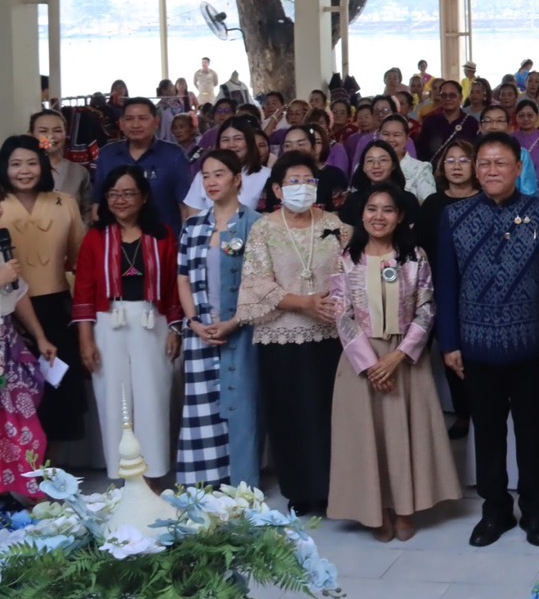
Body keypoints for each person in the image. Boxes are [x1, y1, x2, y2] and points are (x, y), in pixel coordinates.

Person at [437, 133, 539, 549]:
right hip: (474, 347)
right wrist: (450, 343)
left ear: (517, 168)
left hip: (530, 347)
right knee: (488, 434)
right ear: (476, 170)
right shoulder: (454, 216)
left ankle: (535, 512)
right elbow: (445, 284)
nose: (492, 171)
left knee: (532, 433)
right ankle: (494, 511)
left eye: (501, 164)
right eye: (485, 164)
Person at [326, 185, 461, 540]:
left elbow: (428, 307)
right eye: (372, 209)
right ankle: (376, 510)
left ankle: (405, 508)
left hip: (405, 359)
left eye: (388, 210)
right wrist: (371, 364)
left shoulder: (414, 257)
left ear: (400, 216)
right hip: (361, 362)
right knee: (368, 439)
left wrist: (398, 356)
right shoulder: (346, 258)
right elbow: (341, 313)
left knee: (403, 436)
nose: (378, 217)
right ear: (362, 214)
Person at [235, 154, 346, 515]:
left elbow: (350, 273)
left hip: (330, 334)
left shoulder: (335, 225)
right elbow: (256, 283)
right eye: (293, 181)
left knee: (328, 413)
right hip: (280, 337)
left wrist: (328, 304)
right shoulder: (264, 229)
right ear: (279, 189)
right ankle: (299, 490)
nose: (302, 187)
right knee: (289, 414)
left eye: (308, 180)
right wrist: (303, 303)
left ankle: (334, 488)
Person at [72, 165, 182, 483]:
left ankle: (154, 474)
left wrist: (175, 328)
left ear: (144, 197)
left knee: (153, 399)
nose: (120, 200)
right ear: (105, 199)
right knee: (113, 400)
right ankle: (124, 477)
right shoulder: (95, 238)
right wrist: (86, 340)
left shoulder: (162, 235)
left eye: (128, 193)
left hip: (153, 322)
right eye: (113, 194)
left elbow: (175, 285)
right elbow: (83, 290)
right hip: (108, 324)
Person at [174, 150, 264, 488]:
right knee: (202, 407)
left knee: (242, 407)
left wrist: (235, 321)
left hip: (242, 327)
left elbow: (261, 283)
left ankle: (242, 483)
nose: (212, 182)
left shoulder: (255, 224)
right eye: (206, 175)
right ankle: (206, 483)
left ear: (237, 178)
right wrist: (194, 321)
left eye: (220, 174)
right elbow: (182, 277)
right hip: (200, 328)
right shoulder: (194, 226)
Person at [0, 135, 88, 444]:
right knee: (14, 391)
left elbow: (80, 261)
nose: (24, 171)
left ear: (43, 166)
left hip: (56, 307)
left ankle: (55, 470)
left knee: (58, 386)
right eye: (15, 164)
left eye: (31, 163)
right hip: (8, 312)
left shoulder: (65, 203)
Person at [416, 139, 478, 440]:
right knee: (449, 350)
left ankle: (480, 410)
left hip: (480, 289)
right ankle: (464, 412)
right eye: (450, 160)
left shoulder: (486, 199)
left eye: (463, 160)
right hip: (441, 287)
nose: (455, 166)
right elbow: (423, 249)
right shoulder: (433, 204)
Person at [0, 245, 54, 498]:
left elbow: (17, 294)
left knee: (24, 426)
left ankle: (19, 491)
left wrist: (40, 337)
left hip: (7, 344)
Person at [93, 97, 191, 230]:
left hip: (164, 243)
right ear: (121, 123)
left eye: (142, 118)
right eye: (129, 119)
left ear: (156, 122)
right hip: (117, 243)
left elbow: (186, 207)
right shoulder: (107, 155)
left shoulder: (174, 155)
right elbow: (97, 204)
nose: (135, 125)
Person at [30, 110, 92, 223]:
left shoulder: (79, 172)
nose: (51, 136)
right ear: (31, 134)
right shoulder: (21, 172)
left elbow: (87, 211)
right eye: (43, 131)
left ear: (65, 133)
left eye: (57, 130)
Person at [419, 80, 479, 161]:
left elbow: (475, 153)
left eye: (452, 95)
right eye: (444, 95)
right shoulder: (430, 122)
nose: (448, 98)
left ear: (460, 98)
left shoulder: (471, 123)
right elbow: (421, 152)